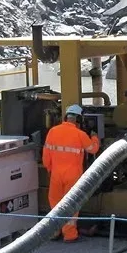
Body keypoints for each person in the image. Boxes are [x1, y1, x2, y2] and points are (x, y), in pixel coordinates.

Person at [42, 104, 100, 242]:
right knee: (71, 205)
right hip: (73, 175)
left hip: (56, 174)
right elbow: (93, 150)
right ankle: (69, 235)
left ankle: (55, 232)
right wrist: (95, 137)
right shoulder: (80, 135)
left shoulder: (52, 131)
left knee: (55, 203)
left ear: (65, 117)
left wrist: (50, 169)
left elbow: (46, 157)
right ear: (79, 120)